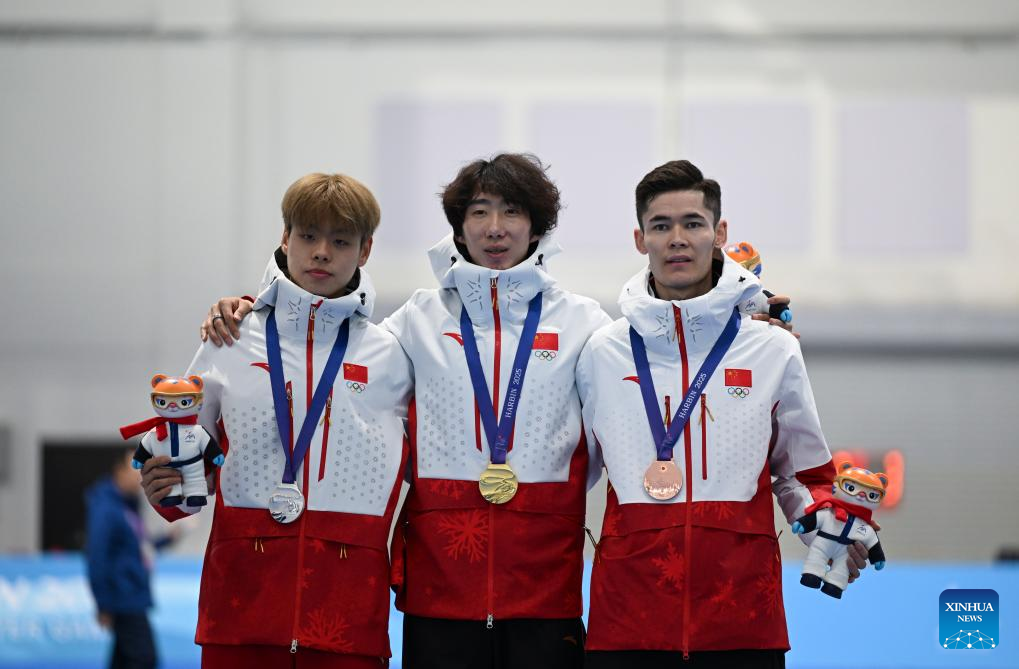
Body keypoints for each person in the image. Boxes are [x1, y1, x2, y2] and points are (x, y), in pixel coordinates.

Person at [197, 155, 801, 668]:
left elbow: (660, 365)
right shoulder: (413, 323)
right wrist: (253, 306)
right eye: (479, 212)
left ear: (536, 226)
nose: (494, 228)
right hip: (440, 589)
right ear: (458, 229)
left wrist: (741, 320)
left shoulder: (584, 326)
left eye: (511, 212)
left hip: (544, 589)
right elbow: (330, 341)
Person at [576, 160, 862, 668]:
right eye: (661, 226)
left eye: (693, 223)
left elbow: (803, 474)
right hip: (628, 623)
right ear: (640, 239)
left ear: (720, 234)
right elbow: (570, 472)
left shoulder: (772, 349)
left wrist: (828, 526)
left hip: (743, 621)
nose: (677, 239)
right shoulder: (602, 352)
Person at [139, 173, 413, 668]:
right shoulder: (229, 338)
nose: (321, 252)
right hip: (241, 611)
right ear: (285, 239)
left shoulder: (391, 355)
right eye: (308, 236)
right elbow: (186, 462)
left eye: (341, 241)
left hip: (347, 618)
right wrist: (166, 489)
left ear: (365, 251)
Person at [85, 447, 168, 669]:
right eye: (136, 468)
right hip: (123, 597)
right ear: (119, 470)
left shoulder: (127, 506)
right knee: (143, 658)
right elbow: (96, 556)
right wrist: (103, 603)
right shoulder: (107, 507)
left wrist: (168, 539)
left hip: (132, 593)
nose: (141, 475)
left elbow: (138, 549)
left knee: (124, 660)